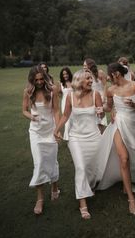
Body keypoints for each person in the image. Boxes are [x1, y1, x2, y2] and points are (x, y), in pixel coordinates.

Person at [97, 63, 135, 215]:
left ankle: (126, 183)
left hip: (133, 123)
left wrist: (134, 104)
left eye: (116, 75)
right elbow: (109, 107)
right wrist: (99, 108)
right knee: (124, 158)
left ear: (121, 73)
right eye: (112, 76)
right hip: (118, 124)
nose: (114, 78)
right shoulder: (110, 90)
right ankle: (131, 199)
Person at [54, 69, 105, 220]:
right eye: (88, 79)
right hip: (76, 137)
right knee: (81, 167)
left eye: (91, 78)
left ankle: (90, 185)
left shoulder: (95, 94)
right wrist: (56, 129)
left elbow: (101, 115)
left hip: (94, 137)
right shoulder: (70, 95)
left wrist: (101, 112)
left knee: (92, 167)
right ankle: (83, 204)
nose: (91, 81)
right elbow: (65, 115)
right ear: (79, 81)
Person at [22, 65, 60, 215]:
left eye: (41, 79)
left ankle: (55, 186)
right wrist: (31, 116)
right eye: (36, 80)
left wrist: (57, 130)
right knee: (39, 163)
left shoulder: (53, 90)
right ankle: (40, 199)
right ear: (32, 79)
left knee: (52, 160)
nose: (39, 82)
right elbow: (24, 110)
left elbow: (56, 110)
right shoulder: (28, 91)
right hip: (36, 132)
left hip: (50, 130)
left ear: (44, 77)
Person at [83, 58, 108, 133]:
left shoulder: (100, 72)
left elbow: (105, 85)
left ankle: (101, 135)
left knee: (100, 119)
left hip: (100, 97)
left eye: (85, 65)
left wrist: (104, 97)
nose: (83, 67)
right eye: (83, 66)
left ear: (90, 65)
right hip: (90, 98)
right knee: (91, 118)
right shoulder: (84, 75)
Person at [58, 67, 73, 140]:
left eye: (66, 74)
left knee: (73, 118)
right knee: (67, 118)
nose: (65, 76)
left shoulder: (73, 82)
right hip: (64, 103)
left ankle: (73, 135)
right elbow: (59, 94)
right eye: (63, 74)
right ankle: (67, 137)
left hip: (73, 102)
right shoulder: (61, 84)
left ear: (69, 74)